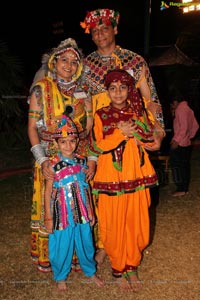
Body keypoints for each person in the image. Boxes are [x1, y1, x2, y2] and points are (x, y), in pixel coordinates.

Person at [80, 8, 165, 265]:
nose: (100, 34)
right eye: (95, 31)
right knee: (100, 196)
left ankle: (126, 245)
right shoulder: (84, 66)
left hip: (131, 139)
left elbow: (151, 100)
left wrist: (158, 131)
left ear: (115, 29)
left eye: (105, 28)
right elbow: (82, 105)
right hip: (100, 136)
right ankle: (105, 242)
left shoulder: (135, 61)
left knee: (130, 196)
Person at [28, 38, 95, 272]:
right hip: (49, 162)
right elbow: (32, 128)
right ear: (54, 62)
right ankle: (55, 259)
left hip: (78, 162)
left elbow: (90, 130)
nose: (68, 65)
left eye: (74, 61)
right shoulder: (41, 88)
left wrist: (91, 160)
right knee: (52, 207)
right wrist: (43, 160)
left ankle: (79, 258)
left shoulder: (84, 92)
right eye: (64, 60)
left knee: (80, 207)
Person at [88, 69, 159, 291]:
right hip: (111, 178)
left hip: (137, 175)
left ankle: (132, 266)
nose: (118, 92)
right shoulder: (100, 115)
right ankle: (118, 268)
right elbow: (95, 146)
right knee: (113, 223)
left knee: (137, 224)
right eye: (112, 88)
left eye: (122, 87)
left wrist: (140, 128)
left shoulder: (138, 112)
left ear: (129, 90)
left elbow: (150, 141)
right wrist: (120, 133)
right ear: (107, 91)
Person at [44, 114, 104, 291]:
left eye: (71, 141)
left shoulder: (82, 162)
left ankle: (90, 271)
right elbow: (48, 192)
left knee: (86, 242)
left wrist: (91, 211)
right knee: (61, 245)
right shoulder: (52, 165)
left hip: (83, 212)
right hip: (61, 215)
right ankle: (60, 276)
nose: (68, 145)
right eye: (63, 142)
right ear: (56, 144)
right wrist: (48, 216)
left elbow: (86, 189)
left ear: (77, 142)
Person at [170, 97, 199, 197]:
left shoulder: (180, 109)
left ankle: (181, 188)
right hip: (186, 143)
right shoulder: (188, 109)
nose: (172, 107)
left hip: (180, 143)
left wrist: (176, 140)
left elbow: (183, 127)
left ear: (175, 101)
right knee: (185, 166)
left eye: (172, 105)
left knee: (176, 166)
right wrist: (189, 137)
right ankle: (184, 188)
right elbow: (196, 126)